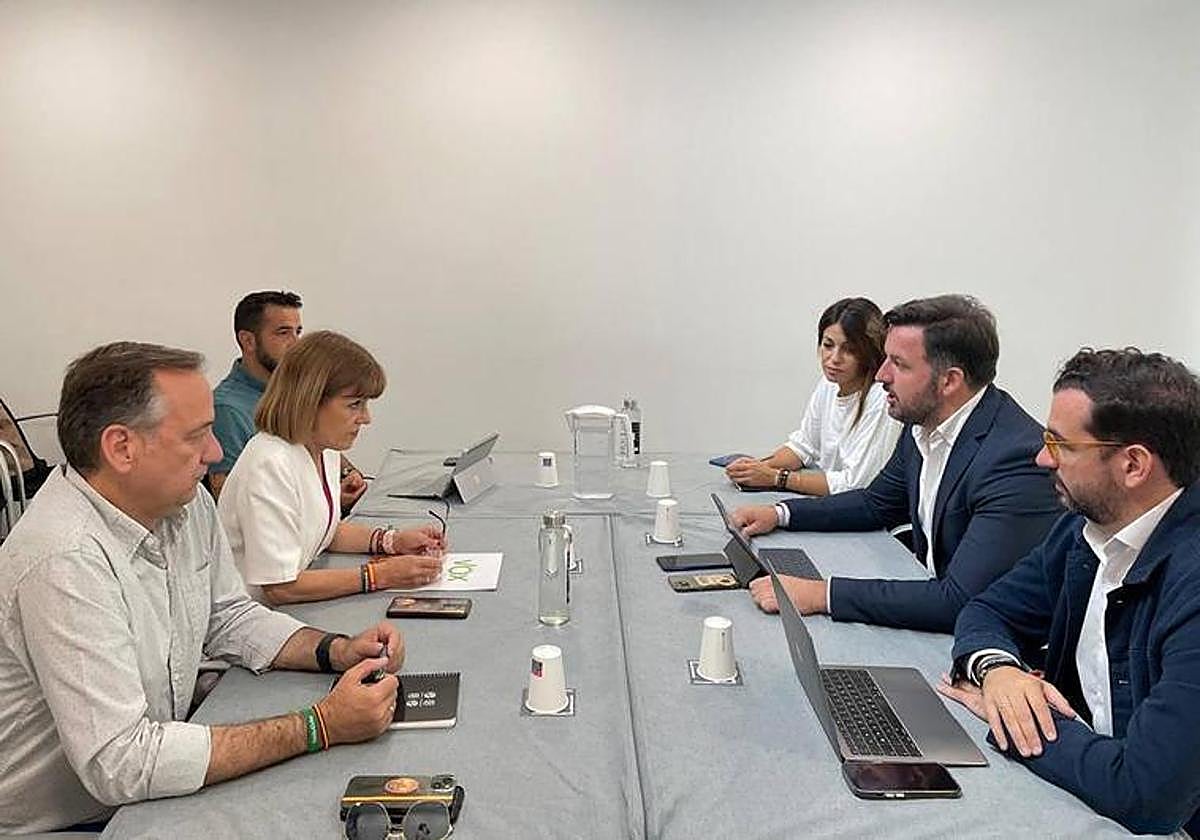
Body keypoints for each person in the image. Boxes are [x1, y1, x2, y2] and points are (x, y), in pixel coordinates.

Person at [0, 342, 405, 834]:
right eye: (197, 436)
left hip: (140, 791)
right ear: (122, 447)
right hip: (70, 824)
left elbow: (229, 615)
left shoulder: (184, 505)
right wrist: (320, 725)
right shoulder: (65, 559)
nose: (215, 453)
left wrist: (336, 650)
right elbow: (123, 762)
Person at [938, 348, 1200, 836]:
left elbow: (1148, 795)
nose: (1042, 458)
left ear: (1134, 465)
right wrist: (999, 672)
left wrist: (1018, 719)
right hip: (1082, 788)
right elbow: (988, 610)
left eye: (1059, 444)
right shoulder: (1084, 530)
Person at [734, 295, 1061, 632]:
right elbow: (876, 504)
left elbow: (958, 601)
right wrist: (780, 514)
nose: (880, 375)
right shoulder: (923, 422)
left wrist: (822, 595)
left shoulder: (1015, 460)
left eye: (899, 364)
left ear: (949, 381)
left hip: (994, 643)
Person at [218, 331, 445, 605]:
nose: (365, 418)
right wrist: (380, 575)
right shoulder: (269, 463)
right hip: (252, 617)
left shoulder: (323, 450)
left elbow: (322, 532)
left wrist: (392, 541)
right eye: (354, 405)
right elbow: (281, 587)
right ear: (310, 401)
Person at [724, 297, 901, 495]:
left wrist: (776, 477)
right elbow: (803, 446)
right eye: (828, 345)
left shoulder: (880, 399)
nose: (834, 359)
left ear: (868, 352)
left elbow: (854, 484)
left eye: (849, 350)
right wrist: (755, 468)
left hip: (856, 502)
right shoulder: (829, 384)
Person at [208, 291, 368, 510]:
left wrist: (349, 475)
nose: (296, 343)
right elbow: (231, 502)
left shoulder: (294, 391)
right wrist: (325, 505)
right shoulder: (227, 409)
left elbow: (321, 448)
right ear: (248, 341)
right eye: (283, 333)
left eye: (298, 332)